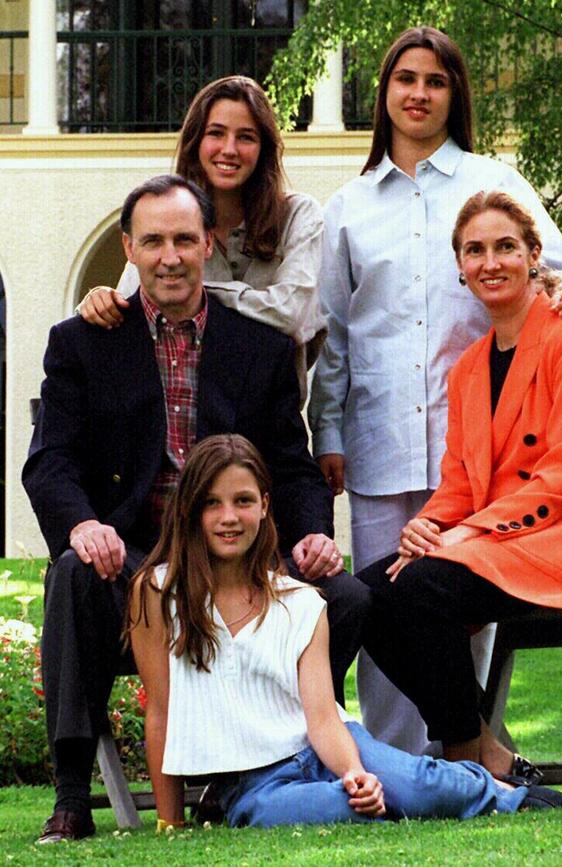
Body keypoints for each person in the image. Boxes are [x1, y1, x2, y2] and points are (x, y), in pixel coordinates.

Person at [23, 174, 367, 844]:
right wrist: (84, 523)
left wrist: (311, 536)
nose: (170, 255)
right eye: (153, 241)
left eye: (184, 238)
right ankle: (70, 797)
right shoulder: (82, 343)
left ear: (208, 243)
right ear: (130, 248)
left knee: (344, 595)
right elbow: (50, 461)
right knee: (70, 573)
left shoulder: (261, 348)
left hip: (237, 565)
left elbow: (292, 467)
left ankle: (261, 759)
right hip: (131, 561)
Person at [308, 25, 562, 756]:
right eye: (405, 79)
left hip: (485, 448)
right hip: (378, 439)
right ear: (383, 95)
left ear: (454, 94)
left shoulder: (490, 185)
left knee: (461, 608)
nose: (418, 93)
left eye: (435, 81)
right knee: (386, 602)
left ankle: (464, 760)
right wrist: (331, 434)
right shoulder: (349, 206)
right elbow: (335, 338)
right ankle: (400, 768)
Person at [128, 432, 562, 831]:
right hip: (255, 784)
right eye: (212, 503)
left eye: (243, 500)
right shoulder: (158, 592)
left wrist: (353, 772)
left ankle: (500, 793)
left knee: (416, 786)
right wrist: (170, 820)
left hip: (330, 748)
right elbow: (163, 714)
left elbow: (322, 718)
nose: (229, 516)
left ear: (265, 505)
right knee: (337, 809)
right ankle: (383, 797)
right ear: (189, 509)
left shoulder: (300, 602)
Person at [357, 190, 562, 778]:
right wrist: (427, 527)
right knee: (369, 592)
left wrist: (465, 536)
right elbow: (459, 482)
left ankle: (460, 755)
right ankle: (486, 751)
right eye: (475, 250)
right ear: (460, 266)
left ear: (535, 255)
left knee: (424, 586)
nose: (491, 262)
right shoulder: (469, 369)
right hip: (501, 545)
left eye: (506, 247)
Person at [79, 75, 326, 403]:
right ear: (196, 141)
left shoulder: (300, 216)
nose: (229, 149)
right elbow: (133, 310)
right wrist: (99, 300)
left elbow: (291, 314)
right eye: (216, 133)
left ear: (264, 147)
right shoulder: (168, 222)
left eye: (246, 137)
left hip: (270, 424)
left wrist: (192, 291)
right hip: (185, 419)